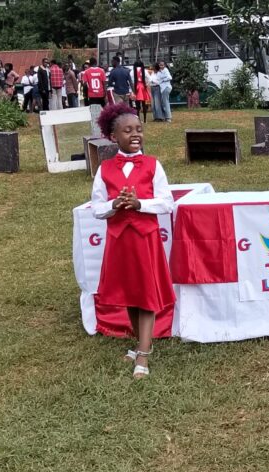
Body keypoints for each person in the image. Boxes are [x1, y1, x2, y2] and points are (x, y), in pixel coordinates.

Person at [90, 104, 176, 379]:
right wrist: (114, 205)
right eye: (128, 130)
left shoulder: (153, 165)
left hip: (145, 239)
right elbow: (96, 207)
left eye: (139, 129)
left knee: (147, 294)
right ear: (113, 137)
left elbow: (166, 203)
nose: (135, 134)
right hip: (120, 240)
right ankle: (140, 343)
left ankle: (144, 353)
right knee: (130, 292)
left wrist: (140, 204)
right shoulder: (104, 169)